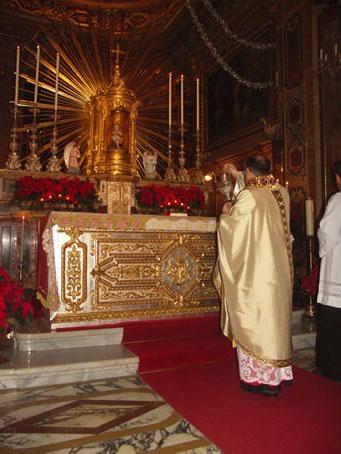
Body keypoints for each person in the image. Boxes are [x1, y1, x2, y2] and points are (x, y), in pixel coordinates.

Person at [215, 154, 293, 397]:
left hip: (257, 271)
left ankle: (259, 380)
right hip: (279, 268)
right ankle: (279, 374)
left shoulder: (249, 195)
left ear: (249, 171)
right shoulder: (281, 192)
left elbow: (234, 230)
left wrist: (226, 213)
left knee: (254, 318)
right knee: (275, 319)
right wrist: (237, 175)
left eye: (245, 173)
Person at [316, 160, 341, 380]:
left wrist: (322, 247)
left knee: (333, 323)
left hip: (337, 270)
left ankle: (331, 368)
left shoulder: (338, 200)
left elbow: (328, 233)